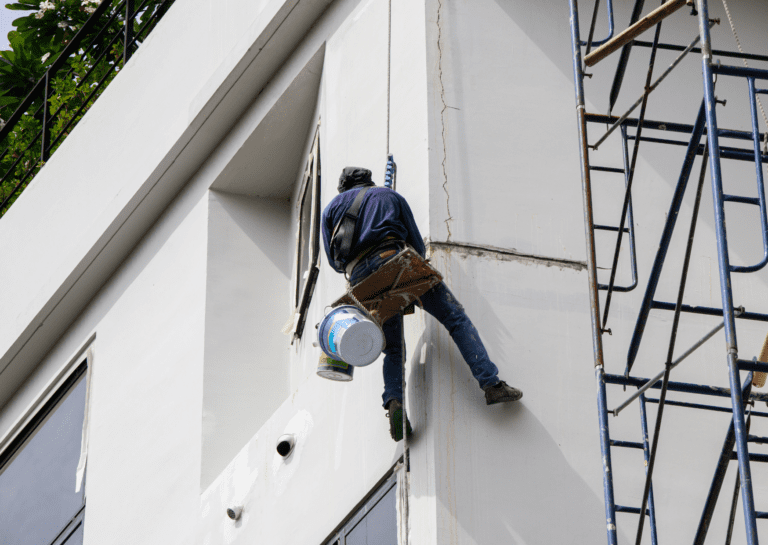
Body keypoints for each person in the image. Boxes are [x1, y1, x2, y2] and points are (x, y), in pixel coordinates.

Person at [321, 167, 523, 441]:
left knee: (393, 348)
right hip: (395, 259)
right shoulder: (388, 195)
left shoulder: (332, 209)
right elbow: (416, 242)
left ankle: (394, 401)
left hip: (362, 283)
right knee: (455, 318)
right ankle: (491, 384)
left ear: (343, 188)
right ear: (369, 181)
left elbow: (335, 263)